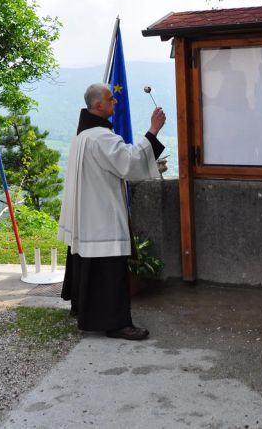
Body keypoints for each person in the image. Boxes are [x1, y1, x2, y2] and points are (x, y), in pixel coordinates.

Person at [58, 83, 165, 341]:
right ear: (98, 106)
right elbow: (128, 163)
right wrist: (153, 131)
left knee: (89, 263)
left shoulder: (82, 136)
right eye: (110, 99)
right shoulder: (101, 137)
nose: (115, 102)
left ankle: (83, 309)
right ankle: (116, 323)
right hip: (101, 215)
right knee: (109, 270)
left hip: (87, 215)